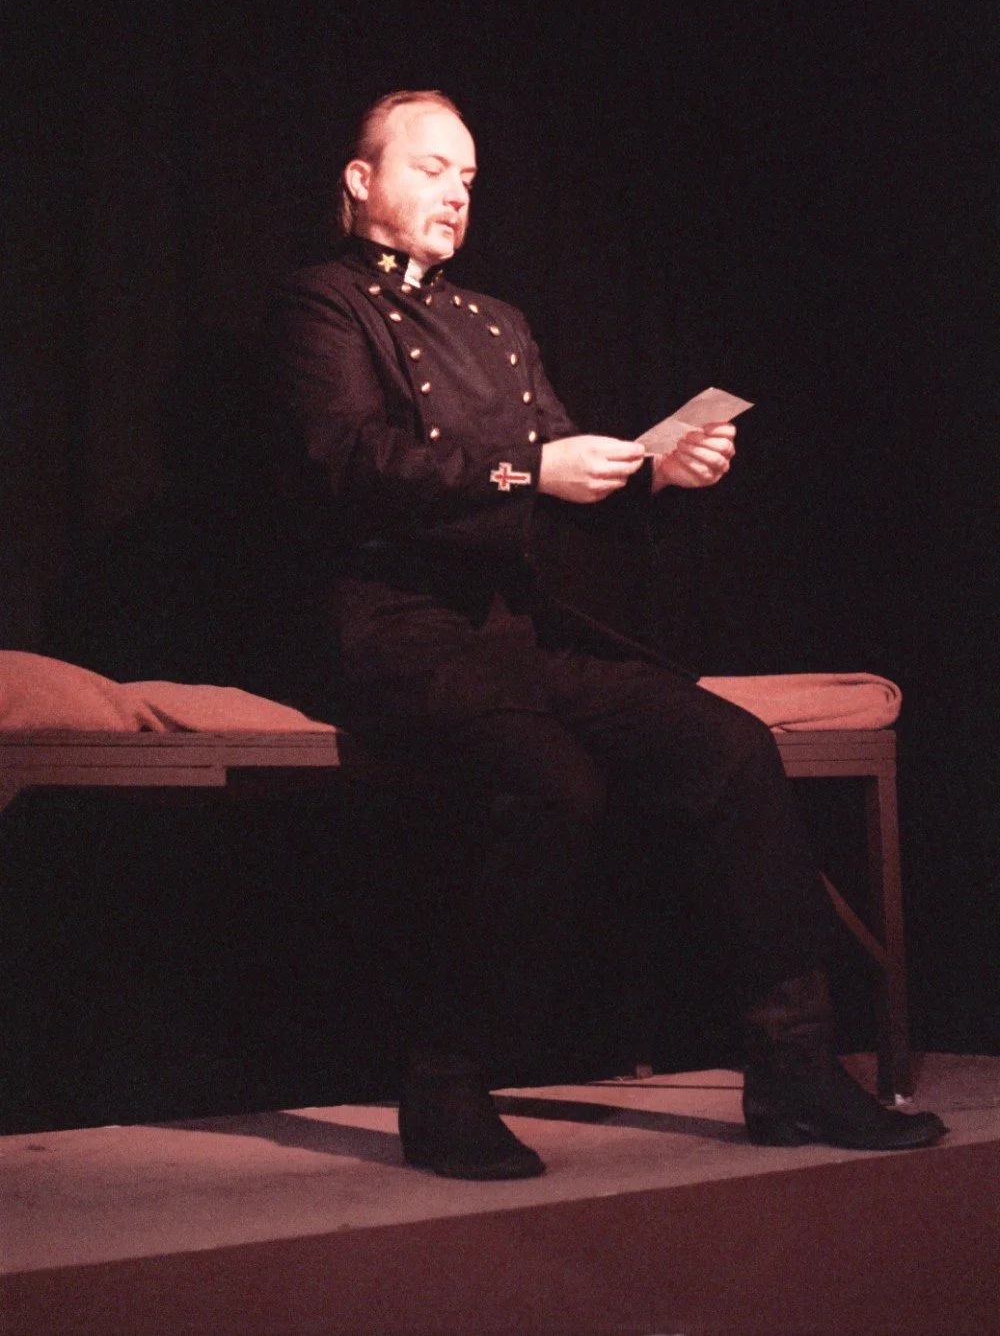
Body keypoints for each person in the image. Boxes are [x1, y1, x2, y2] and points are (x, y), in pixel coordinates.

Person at [267, 89, 945, 1179]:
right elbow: (348, 463)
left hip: (509, 626)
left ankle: (792, 1068)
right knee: (555, 786)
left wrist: (656, 474)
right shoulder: (320, 305)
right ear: (360, 179)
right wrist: (531, 467)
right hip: (391, 619)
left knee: (730, 749)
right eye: (434, 168)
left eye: (470, 179)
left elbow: (570, 479)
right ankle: (444, 1084)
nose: (456, 193)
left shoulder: (499, 322)